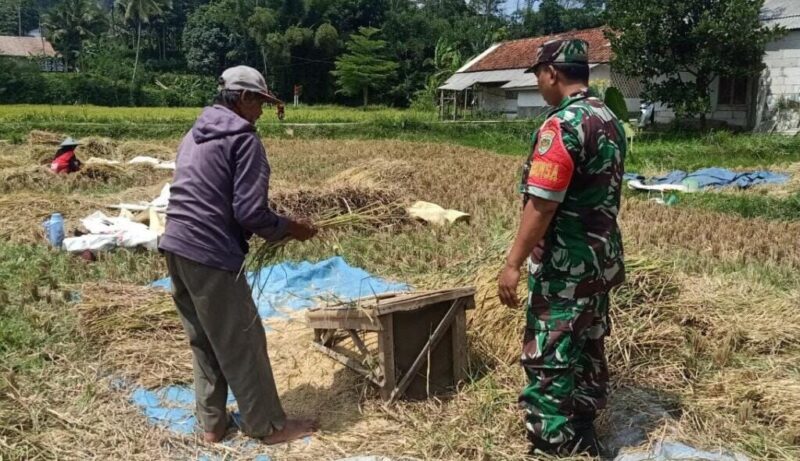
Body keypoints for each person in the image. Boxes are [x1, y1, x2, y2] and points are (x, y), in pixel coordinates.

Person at [159, 65, 318, 444]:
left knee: (205, 340)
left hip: (176, 246)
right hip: (210, 252)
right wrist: (291, 229)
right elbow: (249, 213)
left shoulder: (195, 133)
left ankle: (213, 424)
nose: (261, 111)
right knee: (243, 342)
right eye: (259, 102)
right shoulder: (243, 140)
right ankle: (269, 427)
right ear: (243, 98)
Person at [497, 39, 627, 457]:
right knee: (588, 344)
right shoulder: (608, 117)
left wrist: (513, 262)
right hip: (600, 260)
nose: (537, 83)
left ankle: (550, 442)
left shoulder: (562, 125)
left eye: (537, 74)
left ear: (552, 72)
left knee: (549, 352)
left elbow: (543, 203)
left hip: (566, 265)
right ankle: (584, 429)